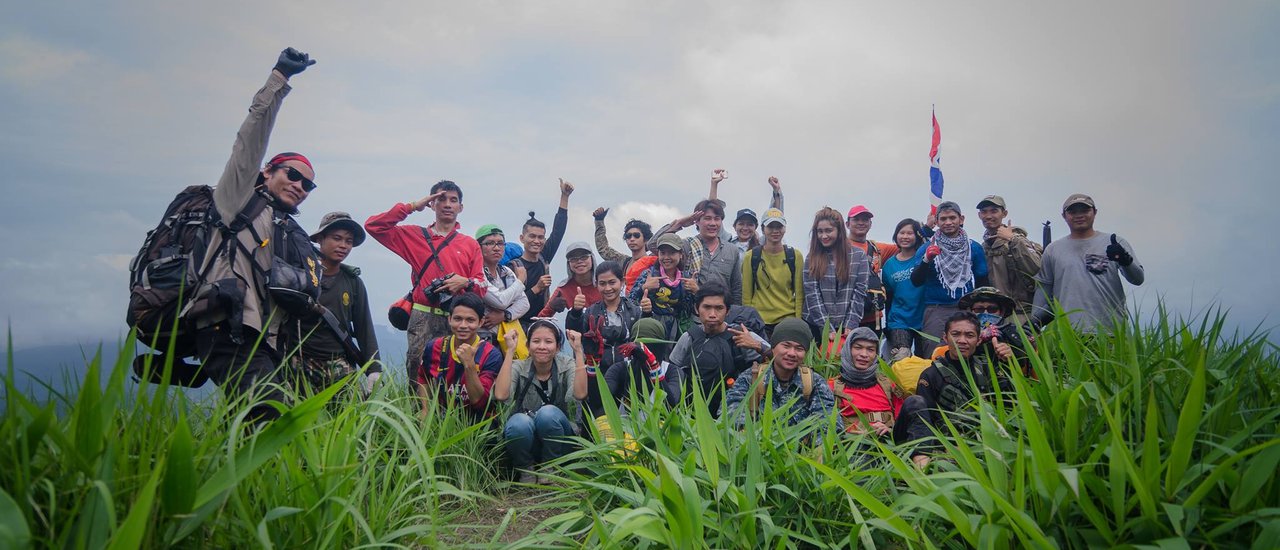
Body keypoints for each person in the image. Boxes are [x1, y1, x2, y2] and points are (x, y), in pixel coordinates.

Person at [186, 47, 319, 423]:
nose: (299, 185)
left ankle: (239, 481)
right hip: (227, 329)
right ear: (266, 172)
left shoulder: (286, 227)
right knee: (273, 418)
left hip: (267, 339)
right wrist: (279, 79)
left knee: (255, 427)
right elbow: (250, 139)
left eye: (308, 184)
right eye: (291, 174)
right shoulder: (236, 199)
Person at [366, 180, 486, 388]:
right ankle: (416, 418)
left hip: (457, 319)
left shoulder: (470, 244)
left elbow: (482, 286)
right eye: (440, 199)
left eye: (453, 200)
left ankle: (450, 419)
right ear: (432, 204)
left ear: (461, 207)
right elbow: (374, 226)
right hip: (422, 315)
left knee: (456, 376)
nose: (447, 204)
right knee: (417, 371)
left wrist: (464, 282)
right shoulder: (415, 236)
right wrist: (412, 206)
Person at [897, 312, 1015, 468]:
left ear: (979, 340)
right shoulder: (931, 375)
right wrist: (949, 447)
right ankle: (922, 471)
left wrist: (1010, 364)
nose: (962, 340)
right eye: (956, 334)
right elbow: (925, 423)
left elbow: (1010, 407)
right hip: (943, 445)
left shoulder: (988, 368)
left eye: (969, 335)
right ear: (945, 338)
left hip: (982, 441)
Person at [285, 212, 381, 394]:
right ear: (320, 239)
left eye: (349, 241)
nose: (343, 246)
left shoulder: (352, 282)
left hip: (339, 362)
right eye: (337, 238)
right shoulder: (301, 276)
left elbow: (364, 326)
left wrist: (373, 368)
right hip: (299, 361)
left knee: (351, 416)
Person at [1032, 194, 1144, 332]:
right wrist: (1033, 326)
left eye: (1084, 210)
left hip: (1112, 332)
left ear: (1095, 212)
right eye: (1073, 212)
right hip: (1069, 335)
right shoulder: (1053, 250)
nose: (1079, 215)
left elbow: (1138, 279)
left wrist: (1125, 261)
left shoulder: (1114, 242)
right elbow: (1043, 289)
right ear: (1064, 216)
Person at [493, 320, 589, 483]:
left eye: (549, 342)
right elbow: (501, 395)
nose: (542, 346)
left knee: (547, 414)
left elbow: (580, 394)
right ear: (528, 346)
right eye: (536, 341)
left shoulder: (567, 364)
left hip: (560, 441)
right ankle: (525, 469)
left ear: (558, 347)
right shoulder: (519, 366)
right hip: (526, 439)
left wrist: (578, 351)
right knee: (517, 422)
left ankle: (550, 466)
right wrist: (510, 351)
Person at [723, 318, 839, 442]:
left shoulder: (814, 382)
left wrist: (817, 451)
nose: (792, 353)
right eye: (786, 346)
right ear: (773, 348)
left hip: (801, 455)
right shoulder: (752, 378)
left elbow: (829, 421)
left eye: (799, 349)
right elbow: (731, 410)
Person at [668, 281, 769, 415]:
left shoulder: (742, 335)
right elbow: (672, 373)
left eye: (719, 308)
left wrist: (757, 346)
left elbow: (779, 360)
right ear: (697, 309)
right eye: (707, 307)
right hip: (693, 411)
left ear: (728, 311)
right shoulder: (689, 337)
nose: (712, 314)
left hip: (735, 410)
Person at [910, 201, 990, 356]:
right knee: (935, 352)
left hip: (965, 307)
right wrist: (927, 259)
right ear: (936, 222)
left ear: (961, 219)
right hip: (936, 308)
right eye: (943, 219)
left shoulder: (973, 247)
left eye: (952, 218)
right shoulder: (927, 248)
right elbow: (916, 281)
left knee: (968, 351)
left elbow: (982, 280)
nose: (948, 222)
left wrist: (981, 311)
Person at [566, 261, 645, 415]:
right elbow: (574, 334)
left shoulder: (635, 311)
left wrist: (647, 314)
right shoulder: (590, 312)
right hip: (598, 376)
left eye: (612, 282)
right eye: (602, 283)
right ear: (597, 285)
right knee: (598, 420)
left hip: (629, 377)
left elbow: (643, 340)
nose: (608, 288)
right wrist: (575, 312)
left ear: (622, 282)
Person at [416, 294, 503, 420]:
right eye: (457, 319)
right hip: (443, 418)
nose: (463, 325)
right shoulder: (435, 346)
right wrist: (425, 409)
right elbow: (423, 376)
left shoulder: (491, 354)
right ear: (449, 319)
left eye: (470, 320)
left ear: (481, 322)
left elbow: (478, 401)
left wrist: (469, 365)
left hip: (479, 421)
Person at [651, 197, 744, 305]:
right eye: (707, 218)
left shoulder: (732, 250)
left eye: (717, 219)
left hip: (720, 315)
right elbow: (652, 244)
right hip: (690, 314)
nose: (713, 223)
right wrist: (679, 224)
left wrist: (733, 314)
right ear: (697, 221)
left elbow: (736, 288)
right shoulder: (687, 245)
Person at [802, 207, 869, 348]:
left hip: (846, 326)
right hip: (816, 324)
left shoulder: (858, 256)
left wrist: (851, 324)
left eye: (828, 231)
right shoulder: (811, 258)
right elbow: (812, 295)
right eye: (820, 231)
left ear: (839, 231)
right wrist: (827, 329)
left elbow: (859, 293)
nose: (823, 236)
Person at [512, 180, 574, 327]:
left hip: (542, 322)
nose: (536, 241)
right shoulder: (513, 266)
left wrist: (564, 197)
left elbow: (558, 231)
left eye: (540, 237)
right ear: (522, 238)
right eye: (532, 236)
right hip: (518, 324)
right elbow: (511, 304)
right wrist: (537, 288)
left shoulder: (543, 257)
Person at [975, 195, 1043, 318]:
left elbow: (1036, 269)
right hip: (994, 315)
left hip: (1021, 313)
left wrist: (1012, 239)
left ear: (1004, 214)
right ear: (979, 215)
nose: (988, 216)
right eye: (984, 212)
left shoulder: (1018, 241)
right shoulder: (983, 247)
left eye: (994, 211)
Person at [741, 208, 805, 336]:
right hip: (759, 320)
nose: (775, 231)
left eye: (779, 226)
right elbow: (746, 295)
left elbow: (799, 294)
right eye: (770, 227)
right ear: (763, 229)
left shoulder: (795, 256)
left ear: (785, 228)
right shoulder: (751, 256)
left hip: (787, 319)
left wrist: (798, 322)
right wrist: (748, 322)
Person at [830, 327, 903, 436]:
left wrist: (891, 431)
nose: (864, 354)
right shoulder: (831, 387)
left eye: (870, 349)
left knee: (915, 402)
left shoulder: (887, 384)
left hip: (888, 442)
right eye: (858, 348)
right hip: (854, 445)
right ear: (847, 350)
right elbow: (828, 427)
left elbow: (901, 420)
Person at [602, 318, 683, 413]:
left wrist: (653, 367)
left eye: (649, 346)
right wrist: (593, 361)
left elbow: (670, 405)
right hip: (625, 425)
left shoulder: (672, 371)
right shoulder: (620, 369)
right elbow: (602, 399)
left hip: (661, 425)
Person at [630, 233, 696, 340]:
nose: (666, 257)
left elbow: (689, 310)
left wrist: (696, 292)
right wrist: (643, 288)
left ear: (681, 254)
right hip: (651, 327)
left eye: (672, 253)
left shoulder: (686, 278)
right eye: (662, 253)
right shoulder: (648, 274)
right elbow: (630, 301)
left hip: (676, 329)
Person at [846, 205, 899, 331]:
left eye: (865, 220)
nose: (861, 223)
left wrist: (926, 228)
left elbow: (906, 245)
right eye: (856, 219)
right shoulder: (838, 248)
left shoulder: (877, 248)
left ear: (870, 224)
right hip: (846, 316)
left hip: (872, 318)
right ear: (847, 224)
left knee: (872, 351)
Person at [882, 219, 928, 360]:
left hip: (923, 318)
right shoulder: (889, 264)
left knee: (923, 359)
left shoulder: (922, 258)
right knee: (902, 357)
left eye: (910, 233)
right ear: (896, 235)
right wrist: (888, 326)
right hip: (899, 319)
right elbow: (889, 297)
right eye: (902, 233)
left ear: (917, 236)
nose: (905, 237)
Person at [475, 225, 529, 344]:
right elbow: (500, 301)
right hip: (481, 338)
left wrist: (505, 315)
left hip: (507, 337)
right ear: (478, 247)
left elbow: (524, 303)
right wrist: (520, 281)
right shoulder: (476, 273)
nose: (496, 248)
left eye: (500, 243)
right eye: (489, 243)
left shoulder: (506, 271)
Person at [707, 171, 785, 252]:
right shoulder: (727, 242)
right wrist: (714, 184)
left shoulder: (762, 243)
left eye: (750, 224)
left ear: (756, 227)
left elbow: (775, 217)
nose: (745, 228)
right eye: (741, 224)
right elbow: (713, 213)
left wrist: (776, 191)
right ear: (734, 226)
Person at [537, 242, 602, 317]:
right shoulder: (564, 289)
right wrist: (551, 307)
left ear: (592, 259)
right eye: (573, 259)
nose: (579, 261)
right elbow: (540, 318)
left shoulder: (603, 283)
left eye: (584, 257)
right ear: (569, 264)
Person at [591, 207, 653, 277]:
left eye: (636, 235)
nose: (632, 239)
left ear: (646, 239)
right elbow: (603, 249)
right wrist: (599, 221)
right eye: (628, 236)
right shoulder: (624, 261)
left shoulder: (653, 262)